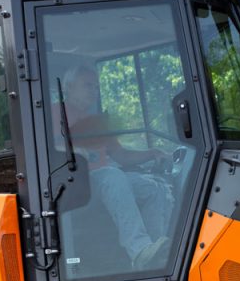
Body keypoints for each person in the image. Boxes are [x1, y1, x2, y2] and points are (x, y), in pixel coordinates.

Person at [58, 65, 175, 269]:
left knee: (154, 187)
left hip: (105, 178)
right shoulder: (53, 114)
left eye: (96, 87)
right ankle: (138, 250)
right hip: (75, 183)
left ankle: (153, 256)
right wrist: (74, 152)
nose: (94, 91)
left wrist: (153, 152)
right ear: (68, 87)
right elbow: (48, 148)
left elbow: (121, 155)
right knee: (112, 175)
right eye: (88, 86)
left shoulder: (97, 121)